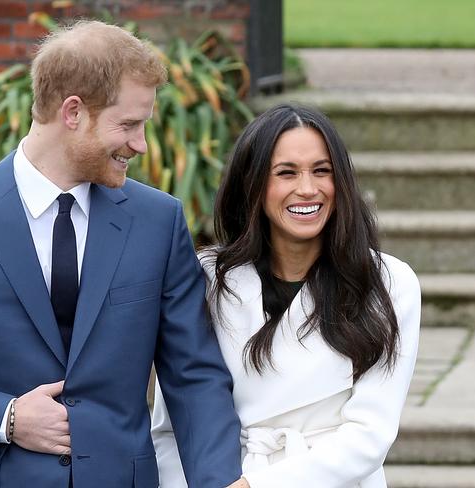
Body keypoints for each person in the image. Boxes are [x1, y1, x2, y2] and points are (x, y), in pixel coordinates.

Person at [0, 20, 242, 488]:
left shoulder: (157, 221)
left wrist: (222, 480)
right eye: (128, 125)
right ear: (73, 111)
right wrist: (7, 416)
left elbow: (194, 374)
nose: (140, 144)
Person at [152, 103, 421, 488]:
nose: (308, 189)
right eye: (286, 173)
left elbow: (370, 434)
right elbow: (173, 423)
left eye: (322, 171)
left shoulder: (389, 283)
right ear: (254, 184)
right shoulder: (206, 278)